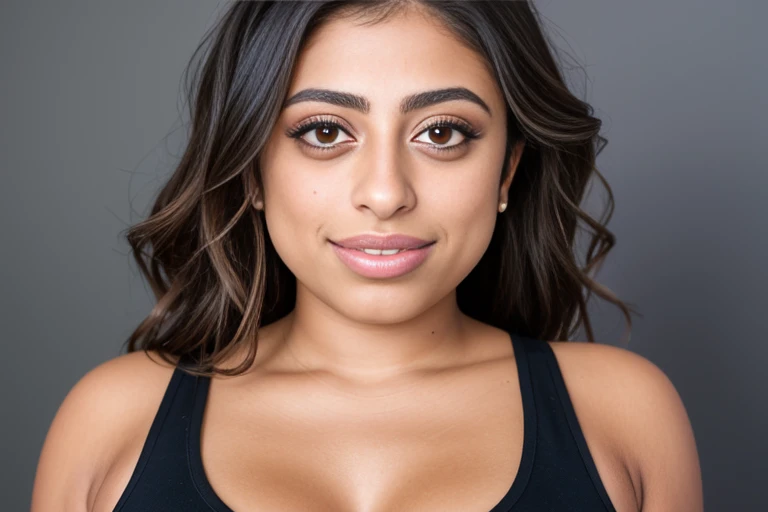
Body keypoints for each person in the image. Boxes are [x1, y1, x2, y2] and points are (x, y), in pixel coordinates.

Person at [31, 1, 703, 511]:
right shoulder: (112, 422)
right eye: (324, 131)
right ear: (253, 169)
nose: (385, 194)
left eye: (442, 132)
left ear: (506, 172)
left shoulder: (623, 416)